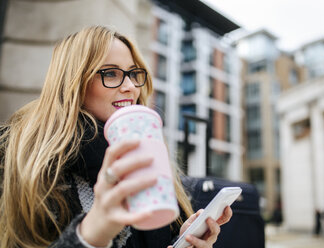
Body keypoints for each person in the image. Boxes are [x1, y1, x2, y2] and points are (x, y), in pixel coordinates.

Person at [0, 26, 232, 248]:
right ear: (73, 81)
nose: (131, 86)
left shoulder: (147, 152)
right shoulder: (20, 155)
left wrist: (183, 242)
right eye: (111, 73)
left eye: (134, 73)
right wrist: (90, 234)